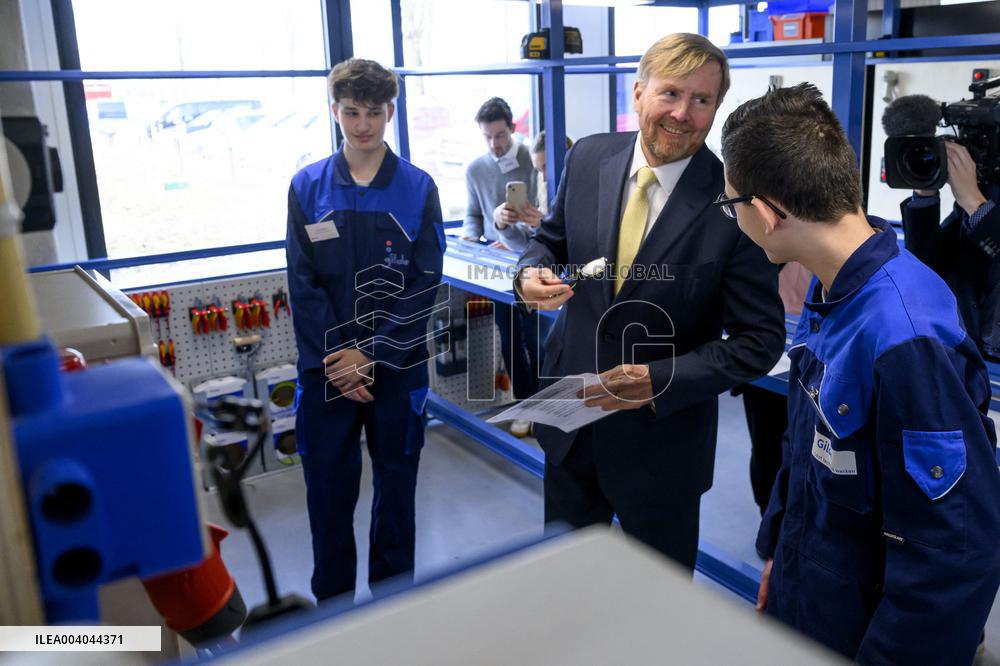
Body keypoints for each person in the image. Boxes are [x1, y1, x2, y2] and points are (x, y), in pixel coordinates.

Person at [720, 83, 1000, 664]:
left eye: (732, 205)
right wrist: (777, 553)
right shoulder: (833, 291)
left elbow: (955, 554)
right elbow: (806, 448)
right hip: (813, 593)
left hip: (868, 632)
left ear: (768, 213)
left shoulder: (904, 334)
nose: (733, 218)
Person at [516, 33, 785, 571]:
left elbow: (761, 341)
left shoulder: (736, 200)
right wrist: (528, 274)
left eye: (702, 100)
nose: (684, 114)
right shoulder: (589, 156)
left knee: (656, 619)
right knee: (564, 591)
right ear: (638, 94)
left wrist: (661, 378)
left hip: (663, 449)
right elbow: (550, 239)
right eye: (670, 94)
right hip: (569, 419)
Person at [285, 58, 445, 602]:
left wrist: (371, 354)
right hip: (326, 371)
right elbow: (302, 283)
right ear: (334, 111)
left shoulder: (418, 189)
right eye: (351, 112)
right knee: (328, 496)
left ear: (390, 113)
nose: (362, 125)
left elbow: (425, 282)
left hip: (396, 369)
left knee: (396, 491)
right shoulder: (306, 187)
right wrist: (341, 358)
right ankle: (332, 609)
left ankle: (393, 608)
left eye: (374, 113)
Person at [463, 98, 543, 418]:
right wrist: (473, 242)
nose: (494, 144)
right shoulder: (475, 169)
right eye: (487, 137)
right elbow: (472, 214)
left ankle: (544, 403)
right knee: (509, 336)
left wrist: (507, 232)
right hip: (496, 264)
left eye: (500, 136)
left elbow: (541, 218)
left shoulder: (534, 159)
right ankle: (526, 405)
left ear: (512, 129)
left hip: (532, 261)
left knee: (536, 337)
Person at [900, 140, 1000, 361]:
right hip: (956, 349)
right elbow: (924, 265)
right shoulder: (975, 204)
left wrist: (974, 203)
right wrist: (926, 193)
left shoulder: (977, 203)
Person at [736, 260, 811, 519]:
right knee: (767, 444)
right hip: (768, 336)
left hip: (820, 336)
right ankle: (770, 521)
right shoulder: (760, 236)